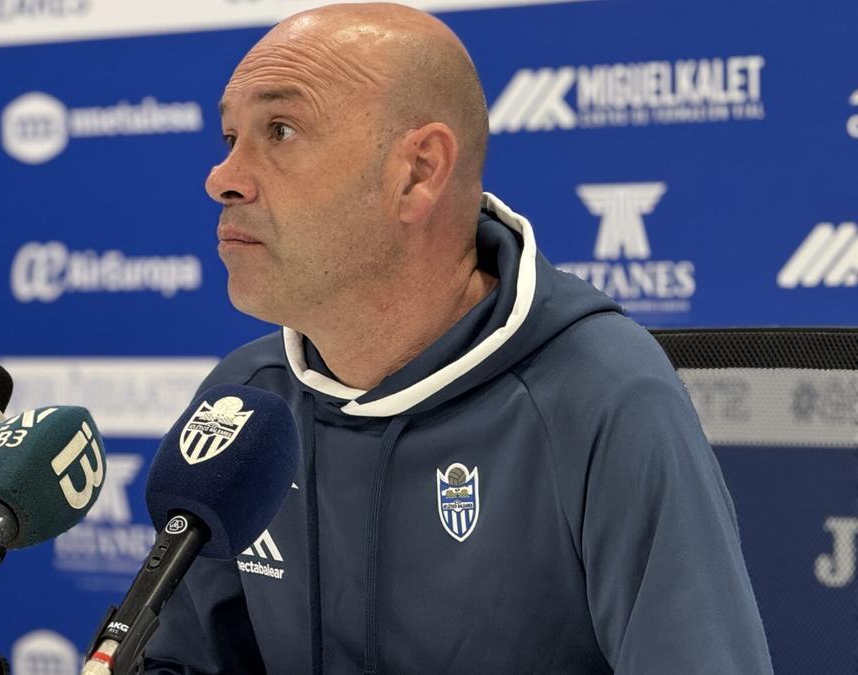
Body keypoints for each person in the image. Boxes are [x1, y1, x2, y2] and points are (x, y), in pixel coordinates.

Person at [144, 3, 773, 672]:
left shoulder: (602, 397)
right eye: (228, 137)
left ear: (418, 171)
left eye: (280, 129)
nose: (223, 177)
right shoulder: (246, 402)